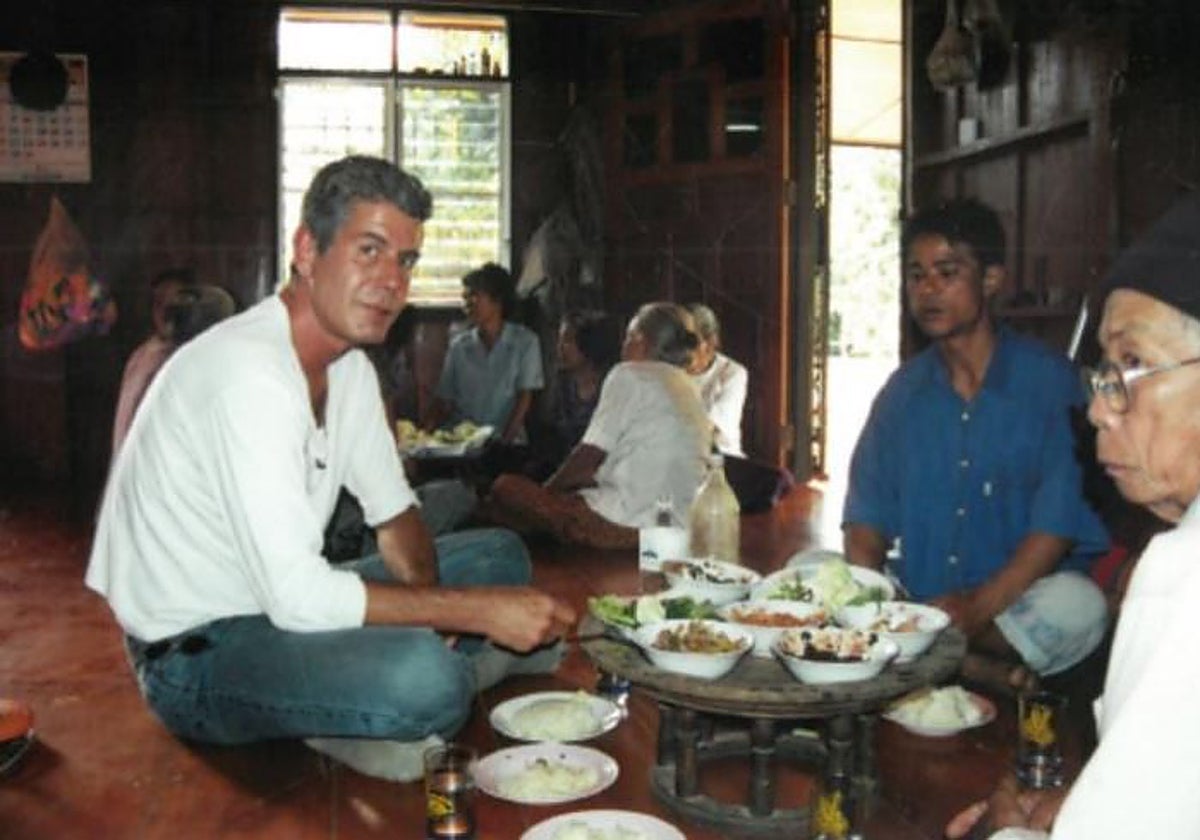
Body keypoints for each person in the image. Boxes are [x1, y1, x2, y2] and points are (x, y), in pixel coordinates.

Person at [86, 155, 574, 783]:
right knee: (428, 678)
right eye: (369, 250)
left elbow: (396, 516)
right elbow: (297, 596)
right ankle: (386, 699)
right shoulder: (247, 375)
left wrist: (440, 607)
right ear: (307, 250)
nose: (391, 281)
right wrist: (468, 615)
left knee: (499, 556)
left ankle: (367, 699)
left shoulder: (347, 371)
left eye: (405, 261)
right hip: (195, 653)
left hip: (277, 604)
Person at [947, 191, 1200, 840]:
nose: (1097, 410)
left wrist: (1004, 833)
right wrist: (1092, 802)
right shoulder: (910, 390)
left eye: (1134, 364)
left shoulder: (1184, 574)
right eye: (1103, 373)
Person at [842, 198, 1110, 692]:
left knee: (1080, 607)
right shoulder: (901, 394)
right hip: (916, 604)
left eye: (947, 272)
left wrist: (976, 607)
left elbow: (1055, 529)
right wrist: (873, 604)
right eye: (916, 275)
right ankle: (961, 666)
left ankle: (927, 660)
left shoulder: (1052, 384)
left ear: (990, 280)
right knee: (811, 573)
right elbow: (865, 520)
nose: (927, 290)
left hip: (1009, 609)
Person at [486, 302, 712, 549]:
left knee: (505, 488)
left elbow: (588, 456)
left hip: (622, 523)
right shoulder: (691, 387)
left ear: (641, 341)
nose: (623, 346)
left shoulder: (629, 373)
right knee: (527, 511)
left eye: (628, 337)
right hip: (676, 527)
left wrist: (546, 494)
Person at [424, 262, 544, 446]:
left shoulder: (525, 342)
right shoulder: (459, 346)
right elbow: (444, 400)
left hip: (505, 441)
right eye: (465, 297)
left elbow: (524, 399)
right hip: (463, 442)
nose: (468, 303)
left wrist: (504, 443)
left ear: (497, 300)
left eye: (474, 295)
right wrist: (425, 436)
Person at [110, 267, 194, 454]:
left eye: (174, 305)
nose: (166, 313)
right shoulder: (142, 357)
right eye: (159, 303)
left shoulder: (195, 358)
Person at [688, 302, 748, 456]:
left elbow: (708, 428)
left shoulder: (733, 373)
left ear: (710, 343)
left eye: (690, 344)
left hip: (722, 460)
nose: (684, 352)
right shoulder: (671, 369)